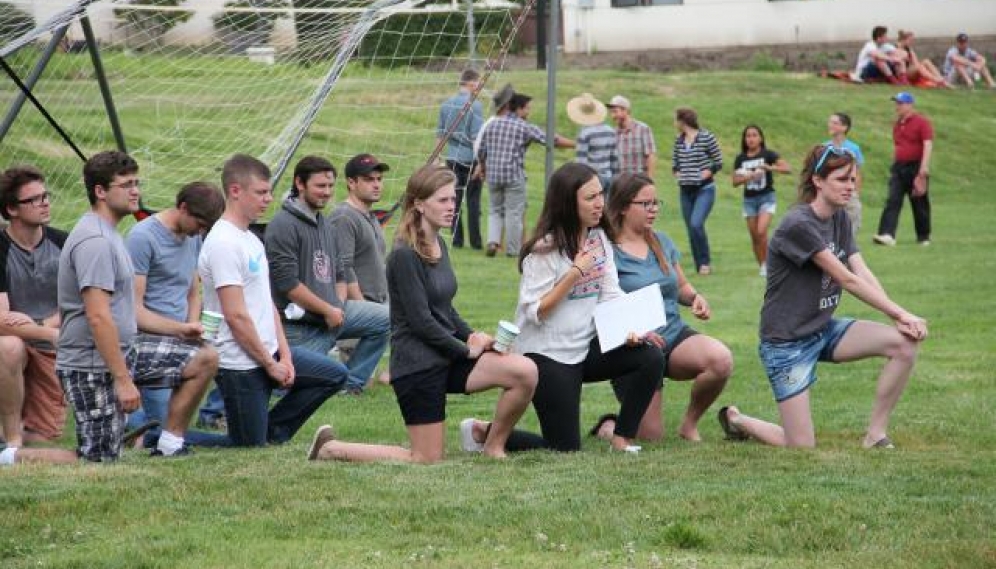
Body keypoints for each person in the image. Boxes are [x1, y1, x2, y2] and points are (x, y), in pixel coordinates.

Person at [307, 164, 538, 464]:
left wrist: (472, 336)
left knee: (525, 371)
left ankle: (493, 446)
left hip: (447, 356)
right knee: (425, 459)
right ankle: (331, 448)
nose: (451, 206)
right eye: (443, 200)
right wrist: (466, 351)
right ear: (419, 204)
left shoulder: (439, 242)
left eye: (453, 199)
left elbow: (445, 309)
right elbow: (421, 322)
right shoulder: (404, 255)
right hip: (419, 365)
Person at [720, 144, 927, 449]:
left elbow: (861, 270)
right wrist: (901, 314)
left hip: (822, 329)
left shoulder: (839, 218)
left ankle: (875, 435)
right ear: (818, 181)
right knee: (801, 445)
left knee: (905, 344)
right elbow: (846, 279)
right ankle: (737, 419)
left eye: (853, 179)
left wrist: (896, 318)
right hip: (786, 343)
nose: (850, 186)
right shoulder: (798, 224)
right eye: (842, 179)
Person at [507, 162, 666, 453]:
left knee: (651, 356)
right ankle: (485, 432)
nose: (600, 203)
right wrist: (575, 273)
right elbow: (537, 311)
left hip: (586, 348)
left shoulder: (599, 238)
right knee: (564, 448)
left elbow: (610, 293)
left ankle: (622, 439)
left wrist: (633, 329)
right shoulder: (544, 250)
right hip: (547, 354)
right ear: (568, 202)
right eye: (590, 197)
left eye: (600, 195)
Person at [198, 154, 344, 447]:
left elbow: (269, 307)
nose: (269, 199)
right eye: (261, 192)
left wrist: (286, 356)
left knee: (334, 374)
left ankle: (273, 432)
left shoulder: (251, 239)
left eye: (269, 191)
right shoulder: (223, 243)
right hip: (239, 362)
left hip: (270, 352)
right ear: (236, 191)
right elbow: (235, 316)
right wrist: (269, 364)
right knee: (246, 446)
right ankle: (161, 438)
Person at [590, 173, 732, 443]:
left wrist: (695, 298)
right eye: (645, 204)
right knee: (650, 436)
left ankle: (689, 425)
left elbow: (679, 286)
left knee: (720, 360)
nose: (653, 209)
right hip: (633, 346)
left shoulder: (661, 241)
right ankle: (609, 426)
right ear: (622, 206)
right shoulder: (606, 249)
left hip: (671, 334)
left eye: (656, 203)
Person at [265, 156, 389, 394]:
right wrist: (328, 310)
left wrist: (339, 306)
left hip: (332, 314)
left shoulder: (324, 223)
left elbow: (340, 272)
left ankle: (350, 385)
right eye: (320, 186)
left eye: (330, 186)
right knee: (285, 387)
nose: (327, 192)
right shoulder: (283, 224)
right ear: (300, 184)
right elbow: (288, 285)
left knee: (387, 318)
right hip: (300, 323)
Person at [124, 181, 226, 454]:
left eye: (207, 227)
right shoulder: (142, 237)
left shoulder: (193, 237)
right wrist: (180, 329)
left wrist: (194, 328)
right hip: (145, 339)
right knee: (160, 426)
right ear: (182, 207)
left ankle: (152, 435)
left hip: (179, 336)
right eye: (200, 223)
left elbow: (194, 291)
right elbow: (133, 311)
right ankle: (135, 428)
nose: (201, 232)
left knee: (211, 357)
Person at [56, 151, 143, 462]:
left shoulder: (111, 232)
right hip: (92, 365)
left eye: (136, 182)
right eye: (126, 184)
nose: (135, 190)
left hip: (119, 353)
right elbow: (97, 315)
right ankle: (12, 457)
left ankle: (169, 439)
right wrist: (122, 379)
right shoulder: (96, 241)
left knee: (198, 359)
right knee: (97, 461)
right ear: (100, 191)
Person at [0, 166, 68, 448]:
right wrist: (48, 332)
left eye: (46, 196)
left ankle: (12, 437)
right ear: (11, 209)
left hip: (51, 346)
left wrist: (39, 327)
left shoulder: (64, 243)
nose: (45, 203)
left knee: (44, 441)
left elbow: (81, 306)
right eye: (34, 199)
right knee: (9, 346)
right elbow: (1, 320)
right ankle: (12, 438)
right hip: (19, 343)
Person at [477, 92, 574, 258]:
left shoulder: (492, 125)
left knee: (494, 210)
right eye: (527, 108)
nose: (529, 111)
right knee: (514, 212)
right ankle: (513, 250)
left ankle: (493, 242)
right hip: (513, 175)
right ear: (519, 109)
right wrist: (576, 143)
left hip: (493, 175)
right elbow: (551, 140)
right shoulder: (524, 127)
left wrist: (483, 168)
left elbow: (481, 150)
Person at [873, 92, 934, 247]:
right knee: (892, 200)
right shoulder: (898, 123)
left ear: (910, 105)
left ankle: (923, 236)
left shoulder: (922, 122)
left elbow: (927, 144)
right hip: (899, 166)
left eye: (900, 104)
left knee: (919, 201)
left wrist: (924, 167)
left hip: (916, 166)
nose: (897, 107)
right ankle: (887, 234)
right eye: (896, 103)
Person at [330, 154, 390, 305]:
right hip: (359, 307)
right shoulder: (344, 217)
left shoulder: (370, 216)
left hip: (381, 304)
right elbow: (343, 269)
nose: (376, 185)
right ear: (351, 182)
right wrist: (363, 307)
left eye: (379, 179)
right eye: (369, 179)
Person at [732, 124, 791, 277]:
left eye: (754, 135)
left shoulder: (768, 155)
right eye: (748, 136)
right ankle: (763, 265)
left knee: (761, 231)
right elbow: (735, 181)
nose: (751, 139)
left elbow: (787, 168)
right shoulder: (741, 158)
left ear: (761, 138)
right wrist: (748, 176)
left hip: (766, 197)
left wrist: (770, 168)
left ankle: (769, 263)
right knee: (754, 236)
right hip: (749, 201)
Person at [437, 68, 485, 250]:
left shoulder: (446, 105)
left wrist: (439, 158)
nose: (479, 87)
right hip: (470, 158)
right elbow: (476, 137)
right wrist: (481, 162)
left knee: (454, 198)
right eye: (478, 83)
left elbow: (440, 134)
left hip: (452, 157)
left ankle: (456, 239)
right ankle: (475, 241)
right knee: (473, 200)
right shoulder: (476, 105)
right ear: (472, 83)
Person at [671, 107, 723, 276]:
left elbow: (718, 161)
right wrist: (677, 174)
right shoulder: (678, 140)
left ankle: (705, 262)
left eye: (676, 120)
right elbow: (675, 164)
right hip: (685, 191)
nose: (675, 123)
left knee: (696, 223)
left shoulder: (706, 137)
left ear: (682, 121)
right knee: (690, 229)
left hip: (704, 189)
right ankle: (698, 265)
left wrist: (708, 172)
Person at [825, 112, 865, 238]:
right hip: (830, 193)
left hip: (848, 193)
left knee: (850, 228)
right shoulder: (825, 147)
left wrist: (855, 193)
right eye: (830, 122)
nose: (830, 125)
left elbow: (857, 173)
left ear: (844, 127)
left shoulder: (853, 148)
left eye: (834, 123)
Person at [567, 92, 618, 192]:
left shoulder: (585, 133)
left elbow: (581, 161)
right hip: (608, 175)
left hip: (592, 178)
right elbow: (614, 158)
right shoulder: (610, 131)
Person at [607, 94, 655, 178]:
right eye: (611, 112)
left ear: (626, 111)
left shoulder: (643, 129)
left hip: (639, 181)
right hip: (620, 182)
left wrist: (650, 179)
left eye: (615, 112)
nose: (613, 116)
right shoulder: (612, 133)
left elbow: (650, 156)